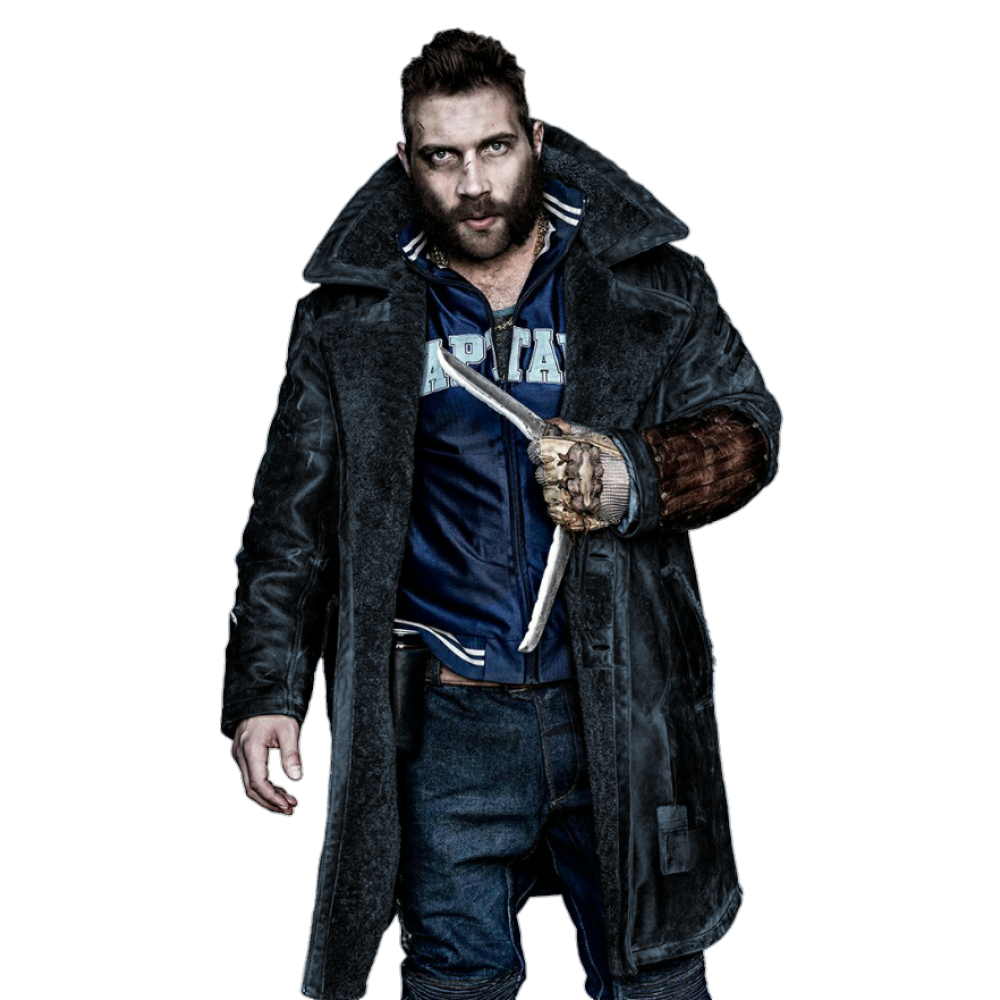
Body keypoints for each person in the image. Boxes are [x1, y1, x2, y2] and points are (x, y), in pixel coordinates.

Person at [220, 28, 782, 1000]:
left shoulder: (647, 277)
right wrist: (265, 688)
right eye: (442, 157)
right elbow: (290, 513)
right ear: (407, 160)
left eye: (494, 148)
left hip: (624, 709)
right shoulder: (354, 307)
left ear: (536, 139)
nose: (472, 184)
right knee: (454, 982)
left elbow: (750, 430)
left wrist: (635, 474)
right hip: (446, 725)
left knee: (656, 976)